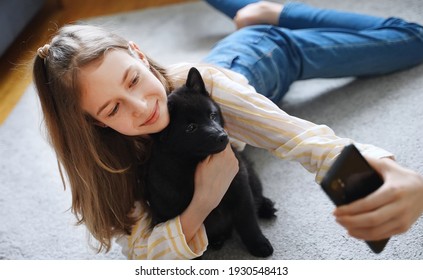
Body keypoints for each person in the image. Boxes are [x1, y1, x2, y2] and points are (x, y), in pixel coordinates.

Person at [32, 1, 423, 259]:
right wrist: (204, 199)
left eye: (134, 80)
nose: (143, 107)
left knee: (413, 39)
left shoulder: (209, 88)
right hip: (229, 66)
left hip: (263, 57)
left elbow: (300, 139)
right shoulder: (102, 155)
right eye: (113, 108)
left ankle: (271, 14)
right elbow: (140, 250)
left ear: (138, 53)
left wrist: (377, 171)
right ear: (96, 122)